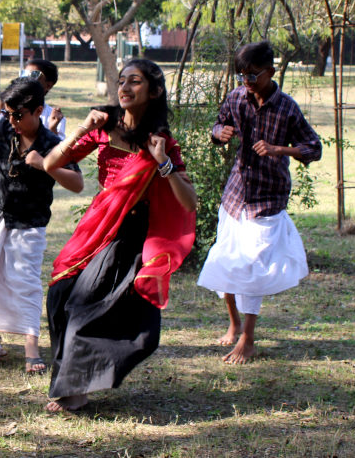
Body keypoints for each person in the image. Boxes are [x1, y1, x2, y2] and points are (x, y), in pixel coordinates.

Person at [41, 59, 197, 412]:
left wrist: (163, 163)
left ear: (154, 91)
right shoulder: (103, 125)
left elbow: (188, 201)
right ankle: (69, 379)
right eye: (122, 80)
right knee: (61, 293)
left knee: (87, 305)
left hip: (132, 236)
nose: (124, 87)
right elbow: (52, 165)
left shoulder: (161, 142)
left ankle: (76, 390)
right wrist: (82, 128)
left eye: (135, 82)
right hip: (99, 226)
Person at [197, 41, 321, 365]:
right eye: (242, 76)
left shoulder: (287, 108)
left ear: (271, 71)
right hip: (236, 193)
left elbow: (314, 148)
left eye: (253, 75)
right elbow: (217, 124)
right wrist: (218, 132)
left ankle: (248, 340)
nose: (247, 83)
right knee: (226, 260)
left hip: (268, 197)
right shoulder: (237, 97)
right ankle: (234, 323)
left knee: (252, 266)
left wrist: (282, 150)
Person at [0, 77, 84, 373]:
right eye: (9, 113)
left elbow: (78, 183)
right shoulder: (5, 129)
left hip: (28, 222)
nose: (13, 121)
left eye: (19, 115)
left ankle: (31, 346)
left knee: (24, 280)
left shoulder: (53, 143)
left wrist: (45, 164)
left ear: (38, 110)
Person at [0, 59, 67, 138]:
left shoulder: (54, 118)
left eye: (34, 75)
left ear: (48, 85)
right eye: (23, 74)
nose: (26, 81)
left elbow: (59, 152)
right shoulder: (7, 111)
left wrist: (53, 129)